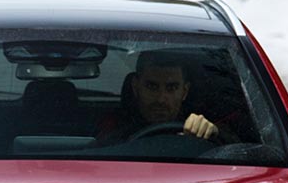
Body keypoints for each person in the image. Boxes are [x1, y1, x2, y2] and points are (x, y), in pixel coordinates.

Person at [94, 49, 231, 145]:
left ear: (184, 91)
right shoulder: (114, 125)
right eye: (152, 87)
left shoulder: (200, 125)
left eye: (171, 88)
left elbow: (239, 150)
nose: (161, 99)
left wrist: (213, 133)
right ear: (136, 87)